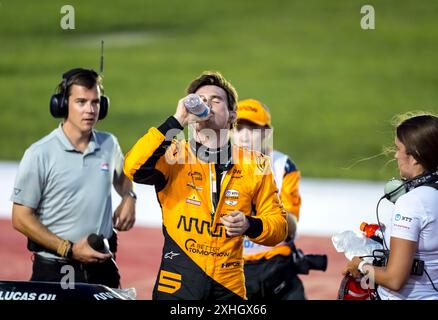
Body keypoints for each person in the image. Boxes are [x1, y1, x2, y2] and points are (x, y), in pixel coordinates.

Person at [123, 71, 287, 300]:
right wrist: (176, 121)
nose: (207, 103)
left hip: (228, 289)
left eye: (216, 99)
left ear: (232, 116)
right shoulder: (174, 155)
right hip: (177, 285)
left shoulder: (255, 164)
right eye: (200, 99)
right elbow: (133, 167)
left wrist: (249, 224)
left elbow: (278, 226)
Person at [11, 68, 136, 288]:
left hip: (103, 267)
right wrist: (68, 249)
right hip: (55, 270)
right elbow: (20, 218)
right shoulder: (40, 154)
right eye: (81, 102)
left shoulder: (109, 144)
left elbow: (123, 178)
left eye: (95, 102)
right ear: (62, 104)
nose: (90, 110)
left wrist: (129, 197)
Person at [342, 113, 438, 299]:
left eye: (398, 149)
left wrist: (360, 266)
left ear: (415, 156)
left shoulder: (412, 203)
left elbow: (394, 280)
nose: (395, 155)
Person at [232, 98, 305, 300]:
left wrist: (262, 207)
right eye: (238, 128)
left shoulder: (283, 166)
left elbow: (291, 227)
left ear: (267, 133)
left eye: (253, 129)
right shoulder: (215, 165)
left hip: (276, 264)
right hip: (232, 265)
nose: (244, 137)